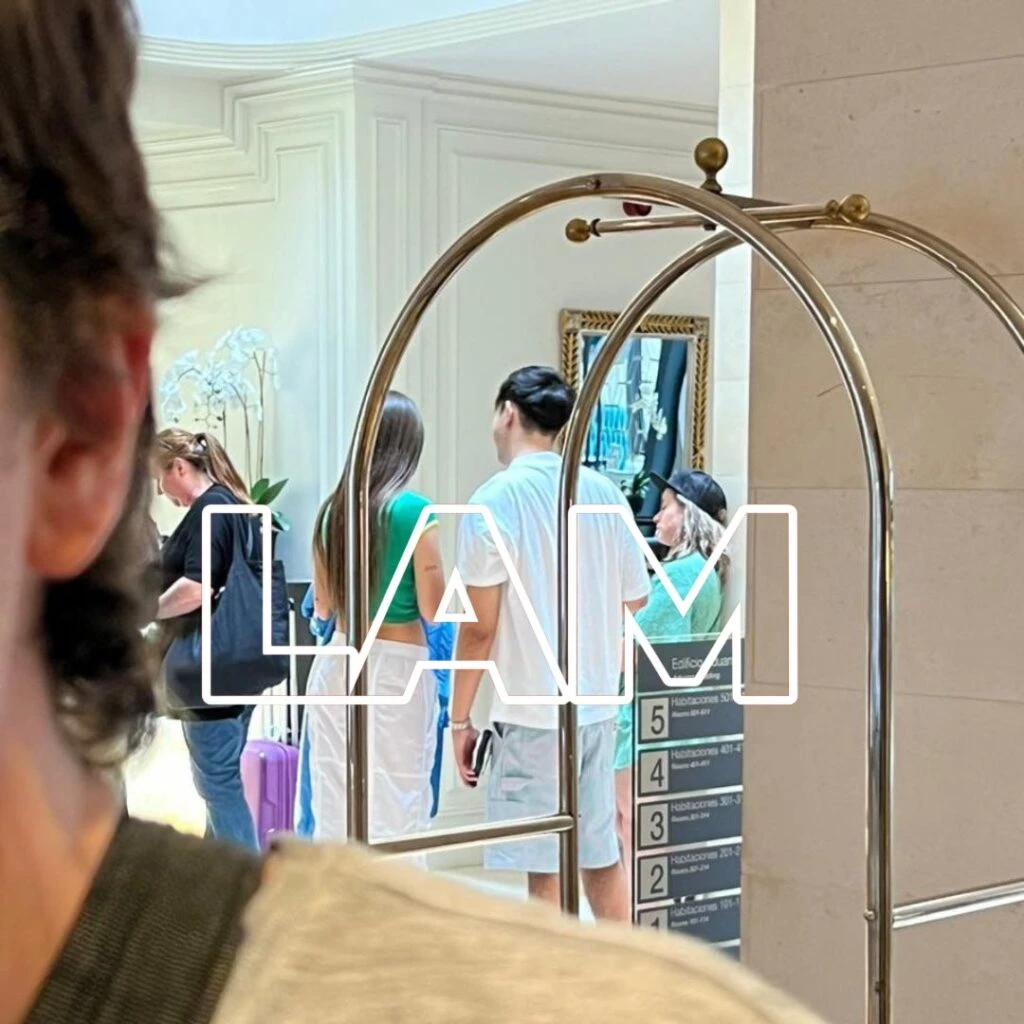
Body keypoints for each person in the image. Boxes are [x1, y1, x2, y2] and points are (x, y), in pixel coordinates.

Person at [4, 3, 830, 1020]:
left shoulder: (393, 508)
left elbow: (404, 613)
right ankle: (568, 951)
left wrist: (469, 698)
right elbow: (483, 615)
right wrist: (474, 692)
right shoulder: (529, 503)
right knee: (566, 846)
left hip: (407, 681)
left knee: (495, 847)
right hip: (513, 691)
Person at [450, 366, 651, 921]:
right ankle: (625, 968)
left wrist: (459, 719)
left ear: (508, 413)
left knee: (546, 868)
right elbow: (637, 599)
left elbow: (479, 629)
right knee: (600, 857)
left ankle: (555, 978)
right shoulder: (604, 492)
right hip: (596, 709)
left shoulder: (496, 499)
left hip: (532, 712)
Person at [304, 391, 447, 844]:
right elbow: (434, 609)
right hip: (397, 670)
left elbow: (323, 607)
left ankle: (339, 891)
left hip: (337, 664)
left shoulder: (332, 511)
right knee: (399, 805)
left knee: (335, 801)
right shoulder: (415, 512)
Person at [614, 470, 730, 900]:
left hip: (647, 726)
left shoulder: (680, 575)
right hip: (672, 724)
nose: (657, 517)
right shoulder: (706, 573)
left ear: (690, 515)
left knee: (634, 828)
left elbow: (642, 653)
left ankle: (639, 925)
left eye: (666, 507)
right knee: (639, 829)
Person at [151, 427, 260, 852]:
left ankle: (248, 884)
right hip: (236, 666)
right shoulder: (231, 505)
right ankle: (218, 877)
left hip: (211, 671)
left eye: (159, 478)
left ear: (178, 467)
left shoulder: (211, 509)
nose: (160, 492)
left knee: (217, 782)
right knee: (219, 778)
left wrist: (149, 610)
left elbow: (197, 589)